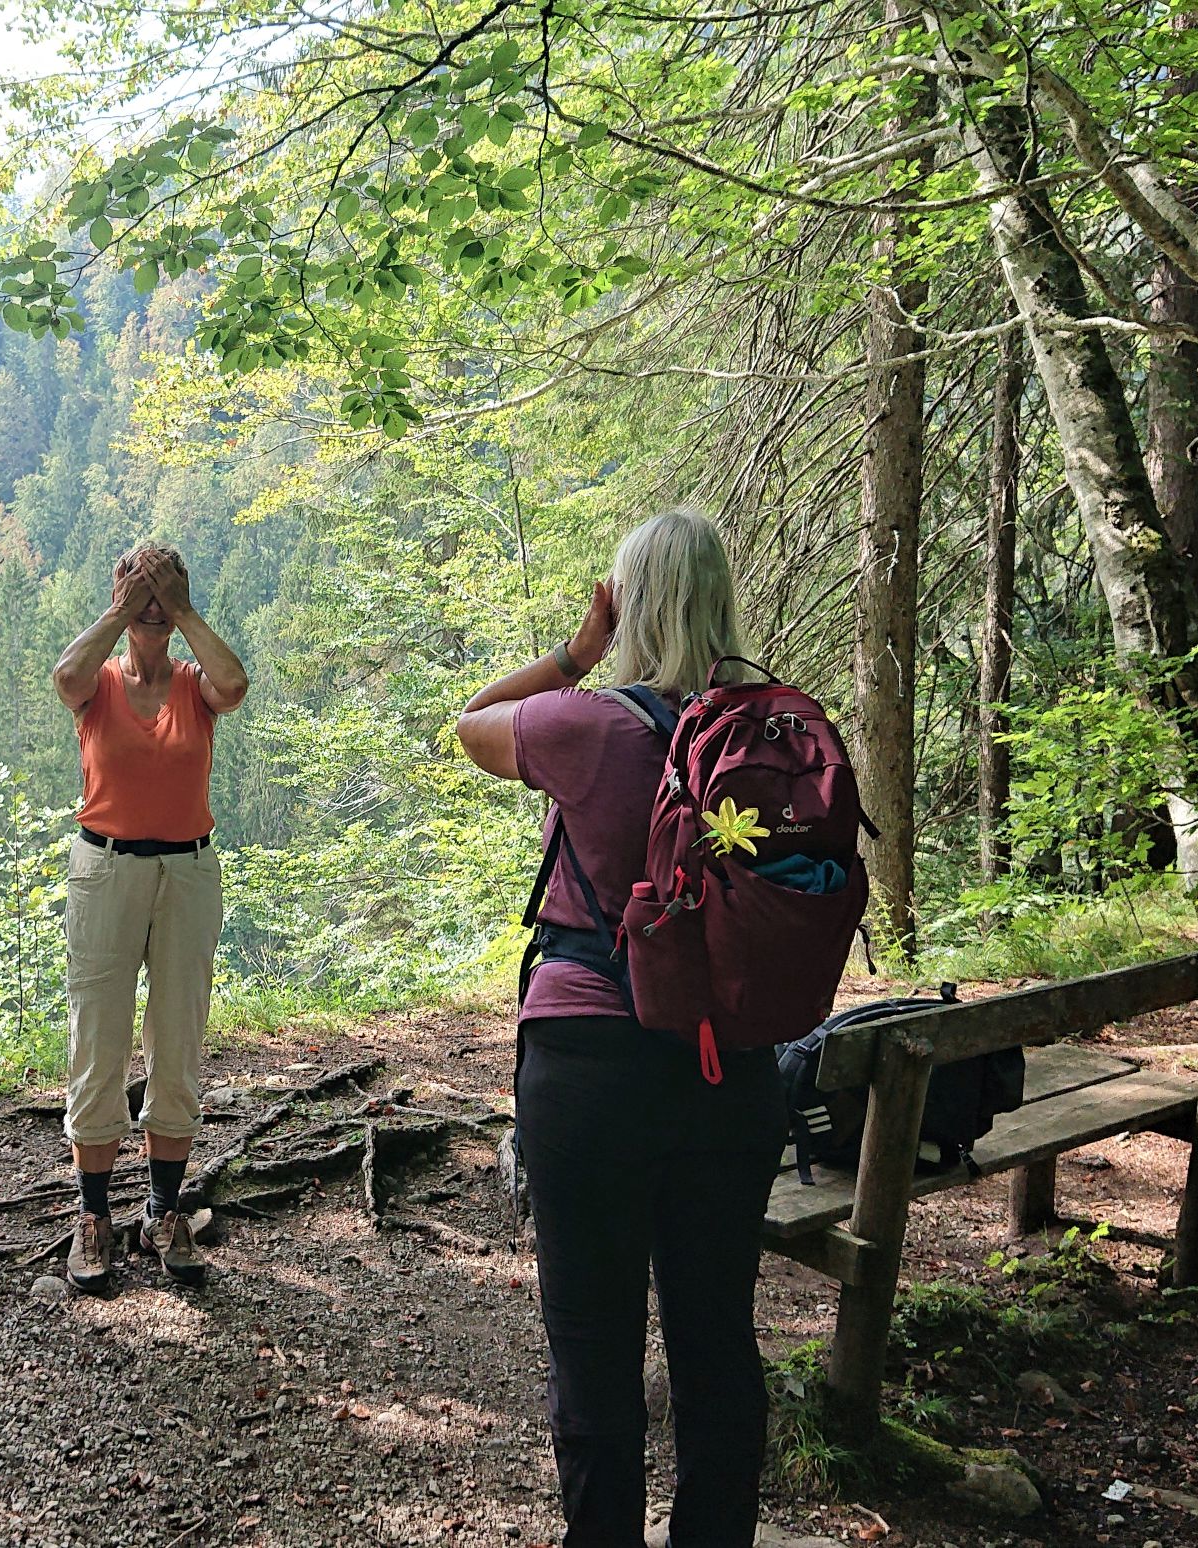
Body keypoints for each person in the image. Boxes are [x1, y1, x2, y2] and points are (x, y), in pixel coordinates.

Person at [453, 509, 786, 1548]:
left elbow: (470, 723)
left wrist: (576, 652)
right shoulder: (770, 733)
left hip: (590, 1068)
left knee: (593, 1355)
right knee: (716, 1344)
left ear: (626, 604)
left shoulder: (584, 725)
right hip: (731, 1070)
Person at [49, 543, 249, 1288]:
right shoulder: (96, 685)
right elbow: (63, 676)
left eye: (167, 586)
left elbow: (237, 683)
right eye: (142, 586)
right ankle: (92, 1215)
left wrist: (184, 610)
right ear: (120, 594)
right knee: (96, 1035)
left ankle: (163, 1210)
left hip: (189, 870)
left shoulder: (197, 686)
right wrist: (122, 609)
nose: (154, 599)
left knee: (178, 1035)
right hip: (104, 869)